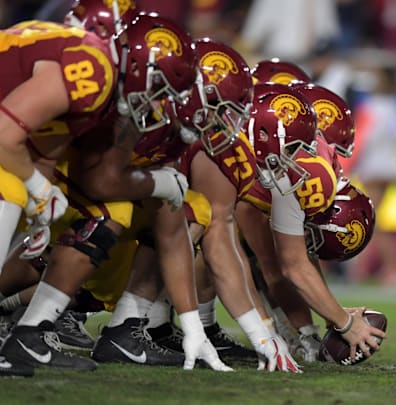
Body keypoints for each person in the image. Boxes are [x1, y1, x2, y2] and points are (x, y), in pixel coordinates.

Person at [0, 13, 230, 372]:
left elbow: (46, 141)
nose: (159, 101)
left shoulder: (116, 89)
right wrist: (37, 190)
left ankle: (34, 330)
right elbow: (10, 134)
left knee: (109, 211)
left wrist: (192, 325)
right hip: (11, 140)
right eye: (160, 87)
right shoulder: (96, 70)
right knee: (10, 189)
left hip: (26, 147)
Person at [247, 82, 386, 361]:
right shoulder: (308, 173)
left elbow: (300, 258)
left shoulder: (315, 165)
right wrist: (343, 324)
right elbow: (289, 266)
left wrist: (329, 313)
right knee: (220, 249)